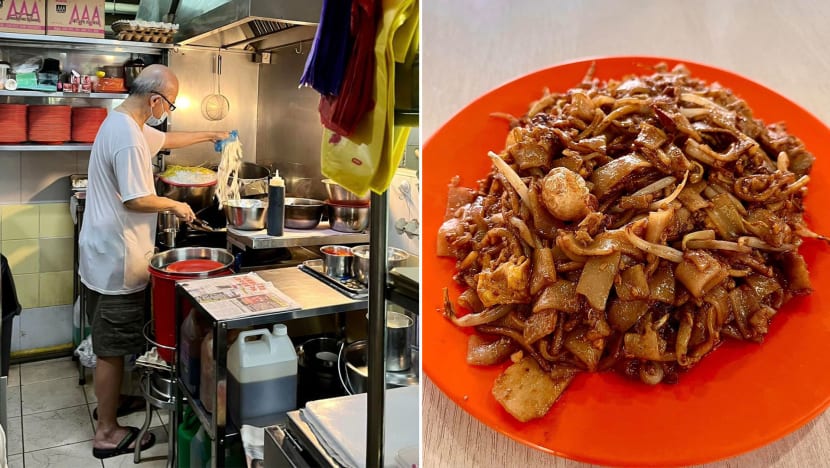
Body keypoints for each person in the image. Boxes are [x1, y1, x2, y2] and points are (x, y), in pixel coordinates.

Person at [78, 64, 229, 459]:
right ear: (155, 99)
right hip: (119, 256)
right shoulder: (128, 137)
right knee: (111, 347)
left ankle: (112, 402)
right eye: (170, 104)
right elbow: (136, 199)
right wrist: (175, 205)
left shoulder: (122, 120)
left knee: (108, 340)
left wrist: (211, 134)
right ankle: (107, 432)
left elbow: (167, 139)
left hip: (102, 252)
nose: (168, 111)